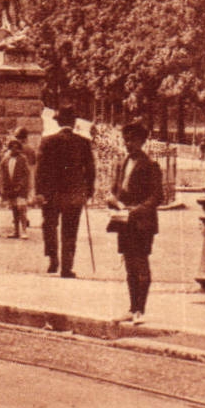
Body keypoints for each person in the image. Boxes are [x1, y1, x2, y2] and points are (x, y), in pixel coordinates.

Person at [107, 121, 164, 325]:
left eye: (132, 140)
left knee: (141, 263)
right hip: (124, 221)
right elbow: (117, 189)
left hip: (141, 222)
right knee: (129, 264)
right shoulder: (123, 163)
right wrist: (112, 198)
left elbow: (157, 196)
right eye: (125, 140)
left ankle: (141, 309)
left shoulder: (150, 165)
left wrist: (137, 210)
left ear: (142, 141)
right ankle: (132, 308)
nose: (128, 144)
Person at [36, 107, 95, 277]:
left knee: (49, 226)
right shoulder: (83, 142)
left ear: (58, 122)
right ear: (74, 122)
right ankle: (67, 267)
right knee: (70, 230)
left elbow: (40, 170)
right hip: (73, 194)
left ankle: (53, 258)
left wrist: (40, 192)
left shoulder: (47, 141)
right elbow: (90, 170)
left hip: (51, 194)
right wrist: (88, 191)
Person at [0, 128, 34, 238]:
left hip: (20, 188)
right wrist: (3, 186)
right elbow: (2, 171)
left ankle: (23, 231)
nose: (14, 150)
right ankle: (16, 230)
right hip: (11, 187)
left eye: (16, 148)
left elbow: (27, 173)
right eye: (12, 148)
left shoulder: (22, 159)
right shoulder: (6, 159)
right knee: (14, 208)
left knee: (21, 208)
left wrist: (22, 185)